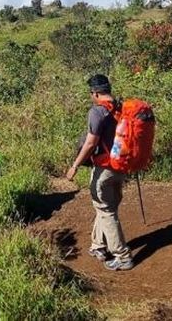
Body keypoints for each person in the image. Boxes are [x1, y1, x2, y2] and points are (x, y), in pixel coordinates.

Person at [65, 74, 134, 271]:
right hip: (120, 166)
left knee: (105, 210)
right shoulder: (121, 108)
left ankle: (123, 256)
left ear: (95, 93)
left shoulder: (97, 112)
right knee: (105, 207)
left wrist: (75, 165)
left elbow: (90, 142)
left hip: (104, 167)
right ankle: (98, 246)